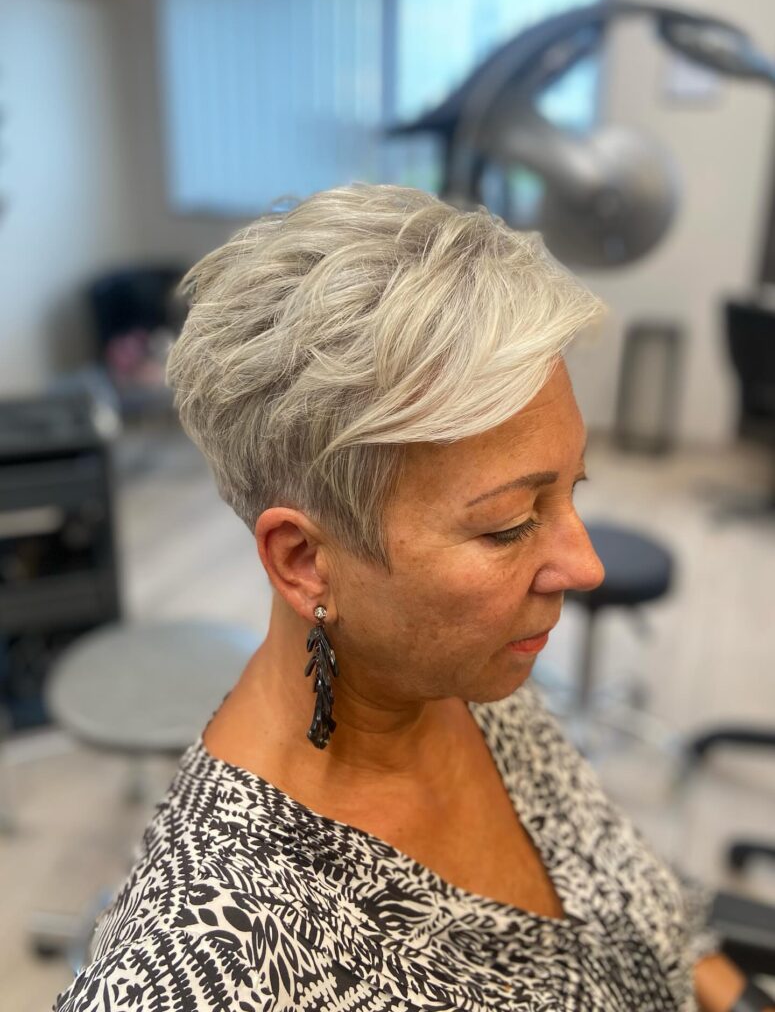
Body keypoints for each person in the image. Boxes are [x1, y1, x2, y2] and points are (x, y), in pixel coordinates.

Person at [53, 184, 772, 1011]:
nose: (585, 566)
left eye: (573, 489)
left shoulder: (466, 677)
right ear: (304, 562)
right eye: (508, 524)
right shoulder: (208, 970)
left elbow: (642, 907)